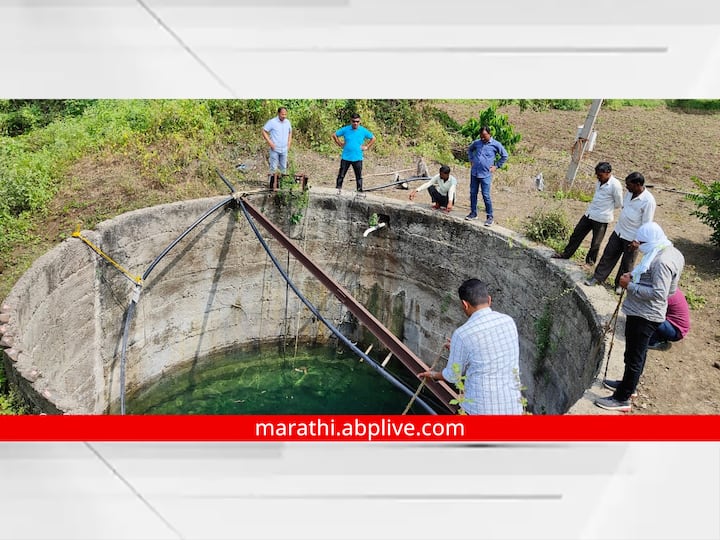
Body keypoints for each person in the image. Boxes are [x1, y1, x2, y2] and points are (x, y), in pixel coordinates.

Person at [596, 222, 684, 412]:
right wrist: (635, 277)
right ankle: (628, 385)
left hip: (645, 315)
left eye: (641, 243)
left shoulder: (662, 261)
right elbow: (668, 288)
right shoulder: (669, 251)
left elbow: (660, 293)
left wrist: (631, 286)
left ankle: (622, 399)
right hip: (643, 311)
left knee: (634, 356)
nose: (639, 247)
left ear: (650, 241)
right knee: (637, 353)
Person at [418, 278, 523, 415]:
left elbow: (453, 376)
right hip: (513, 408)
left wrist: (433, 375)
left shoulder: (462, 334)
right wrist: (459, 349)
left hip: (480, 411)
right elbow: (491, 351)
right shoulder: (508, 321)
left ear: (464, 304)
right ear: (489, 300)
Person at [584, 172, 656, 294]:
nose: (626, 187)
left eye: (629, 185)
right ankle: (597, 278)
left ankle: (620, 285)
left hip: (632, 237)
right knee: (608, 255)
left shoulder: (648, 201)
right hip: (619, 231)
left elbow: (647, 224)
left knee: (627, 264)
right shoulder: (629, 193)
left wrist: (638, 241)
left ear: (638, 185)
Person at [552, 162, 623, 264]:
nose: (598, 177)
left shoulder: (615, 185)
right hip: (590, 213)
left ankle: (590, 263)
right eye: (597, 175)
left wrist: (605, 209)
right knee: (576, 234)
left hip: (601, 218)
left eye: (600, 175)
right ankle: (566, 254)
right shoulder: (599, 182)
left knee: (595, 243)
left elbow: (618, 203)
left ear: (608, 173)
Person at [466, 126, 508, 226]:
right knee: (473, 193)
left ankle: (489, 216)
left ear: (489, 134)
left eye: (484, 136)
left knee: (486, 195)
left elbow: (505, 155)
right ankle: (473, 213)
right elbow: (470, 150)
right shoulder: (477, 143)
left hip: (485, 174)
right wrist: (471, 159)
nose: (483, 138)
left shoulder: (496, 144)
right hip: (474, 173)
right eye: (481, 136)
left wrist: (496, 166)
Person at [332, 114, 375, 192]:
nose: (355, 123)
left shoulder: (363, 130)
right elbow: (334, 135)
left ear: (359, 121)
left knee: (358, 177)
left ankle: (359, 192)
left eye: (357, 121)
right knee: (341, 175)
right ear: (351, 121)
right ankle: (337, 191)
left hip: (357, 158)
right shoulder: (346, 129)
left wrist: (367, 146)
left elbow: (373, 138)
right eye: (354, 121)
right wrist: (340, 143)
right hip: (346, 157)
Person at [262, 107, 292, 179]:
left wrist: (289, 142)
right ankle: (271, 184)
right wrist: (270, 143)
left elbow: (290, 132)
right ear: (278, 113)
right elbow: (264, 131)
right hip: (275, 148)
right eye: (282, 114)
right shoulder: (272, 122)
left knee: (283, 167)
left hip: (284, 149)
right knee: (273, 167)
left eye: (285, 114)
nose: (284, 116)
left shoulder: (287, 122)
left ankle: (282, 183)